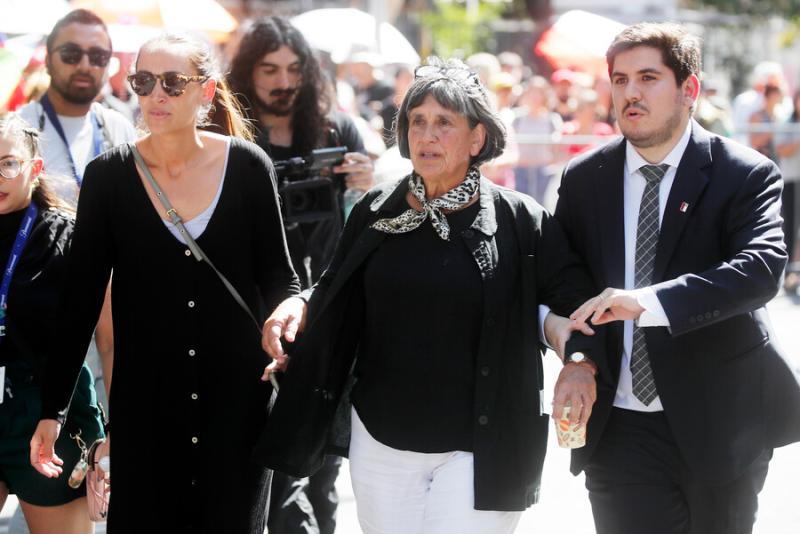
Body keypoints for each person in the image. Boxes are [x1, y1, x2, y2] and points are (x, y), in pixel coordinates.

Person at [255, 57, 600, 534]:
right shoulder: (378, 209)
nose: (427, 135)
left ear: (477, 139)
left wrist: (579, 362)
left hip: (481, 446)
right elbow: (336, 285)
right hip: (381, 442)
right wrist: (300, 305)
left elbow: (572, 302)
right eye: (417, 122)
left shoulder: (521, 221)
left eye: (444, 123)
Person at [28, 31, 300, 533]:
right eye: (144, 81)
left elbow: (280, 278)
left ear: (207, 91)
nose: (157, 94)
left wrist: (289, 310)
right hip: (145, 408)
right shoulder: (108, 178)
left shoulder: (247, 167)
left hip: (236, 404)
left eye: (173, 82)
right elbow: (80, 303)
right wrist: (53, 410)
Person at [552, 22, 800, 534]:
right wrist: (578, 358)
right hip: (619, 427)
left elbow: (760, 271)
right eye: (619, 80)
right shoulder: (584, 179)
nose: (630, 93)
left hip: (720, 421)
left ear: (689, 89)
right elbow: (567, 282)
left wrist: (647, 302)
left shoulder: (744, 173)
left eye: (647, 77)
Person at [228, 16, 374, 534]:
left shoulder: (336, 129)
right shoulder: (226, 133)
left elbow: (373, 219)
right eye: (269, 69)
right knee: (263, 469)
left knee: (321, 472)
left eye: (293, 69)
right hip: (249, 314)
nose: (283, 81)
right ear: (248, 71)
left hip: (326, 315)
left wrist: (364, 181)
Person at [0, 113, 105, 534]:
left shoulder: (69, 236)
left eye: (8, 163)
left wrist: (110, 433)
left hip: (48, 412)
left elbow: (111, 341)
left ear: (35, 168)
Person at [17, 9, 136, 209]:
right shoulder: (16, 130)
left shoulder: (120, 128)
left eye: (98, 56)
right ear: (48, 60)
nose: (85, 65)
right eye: (71, 54)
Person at [777, 89, 800, 292]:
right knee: (791, 227)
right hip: (792, 180)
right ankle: (791, 272)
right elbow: (781, 149)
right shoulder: (788, 123)